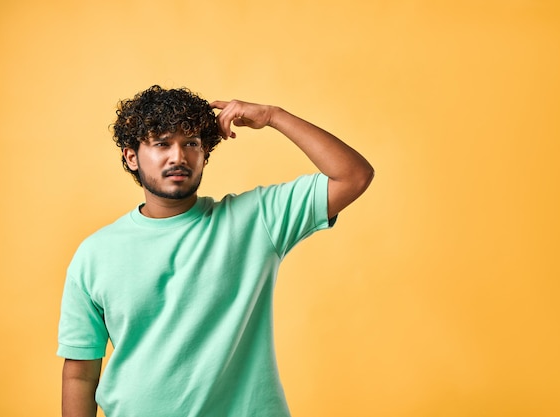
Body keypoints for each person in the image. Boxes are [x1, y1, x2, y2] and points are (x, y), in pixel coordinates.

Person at [57, 85, 374, 417]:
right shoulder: (95, 253)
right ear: (131, 156)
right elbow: (80, 372)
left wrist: (272, 116)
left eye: (191, 144)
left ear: (205, 154)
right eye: (162, 143)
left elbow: (353, 175)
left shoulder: (256, 220)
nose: (177, 157)